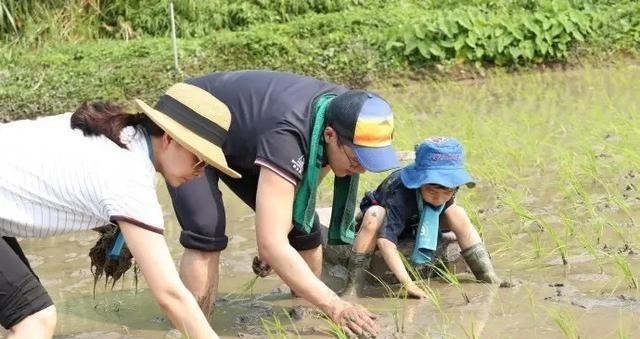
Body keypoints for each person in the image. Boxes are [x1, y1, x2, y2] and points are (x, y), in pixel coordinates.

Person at [152, 70, 400, 336]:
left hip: (247, 138)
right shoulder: (290, 134)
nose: (359, 170)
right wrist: (335, 304)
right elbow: (271, 244)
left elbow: (305, 187)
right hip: (192, 121)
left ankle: (306, 316)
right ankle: (196, 328)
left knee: (303, 225)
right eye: (355, 161)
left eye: (368, 162)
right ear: (330, 136)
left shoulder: (344, 111)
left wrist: (278, 234)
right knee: (206, 228)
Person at [0, 83, 236, 338]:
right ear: (169, 139)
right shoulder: (130, 178)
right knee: (34, 320)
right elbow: (170, 295)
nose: (200, 173)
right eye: (199, 160)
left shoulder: (118, 134)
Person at [342, 137, 500, 299]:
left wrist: (456, 232)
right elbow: (385, 241)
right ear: (419, 182)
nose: (439, 198)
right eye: (432, 191)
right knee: (374, 215)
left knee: (457, 213)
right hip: (389, 220)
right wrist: (408, 284)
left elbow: (449, 209)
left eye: (447, 192)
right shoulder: (399, 191)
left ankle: (486, 274)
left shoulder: (449, 190)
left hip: (419, 221)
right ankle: (353, 287)